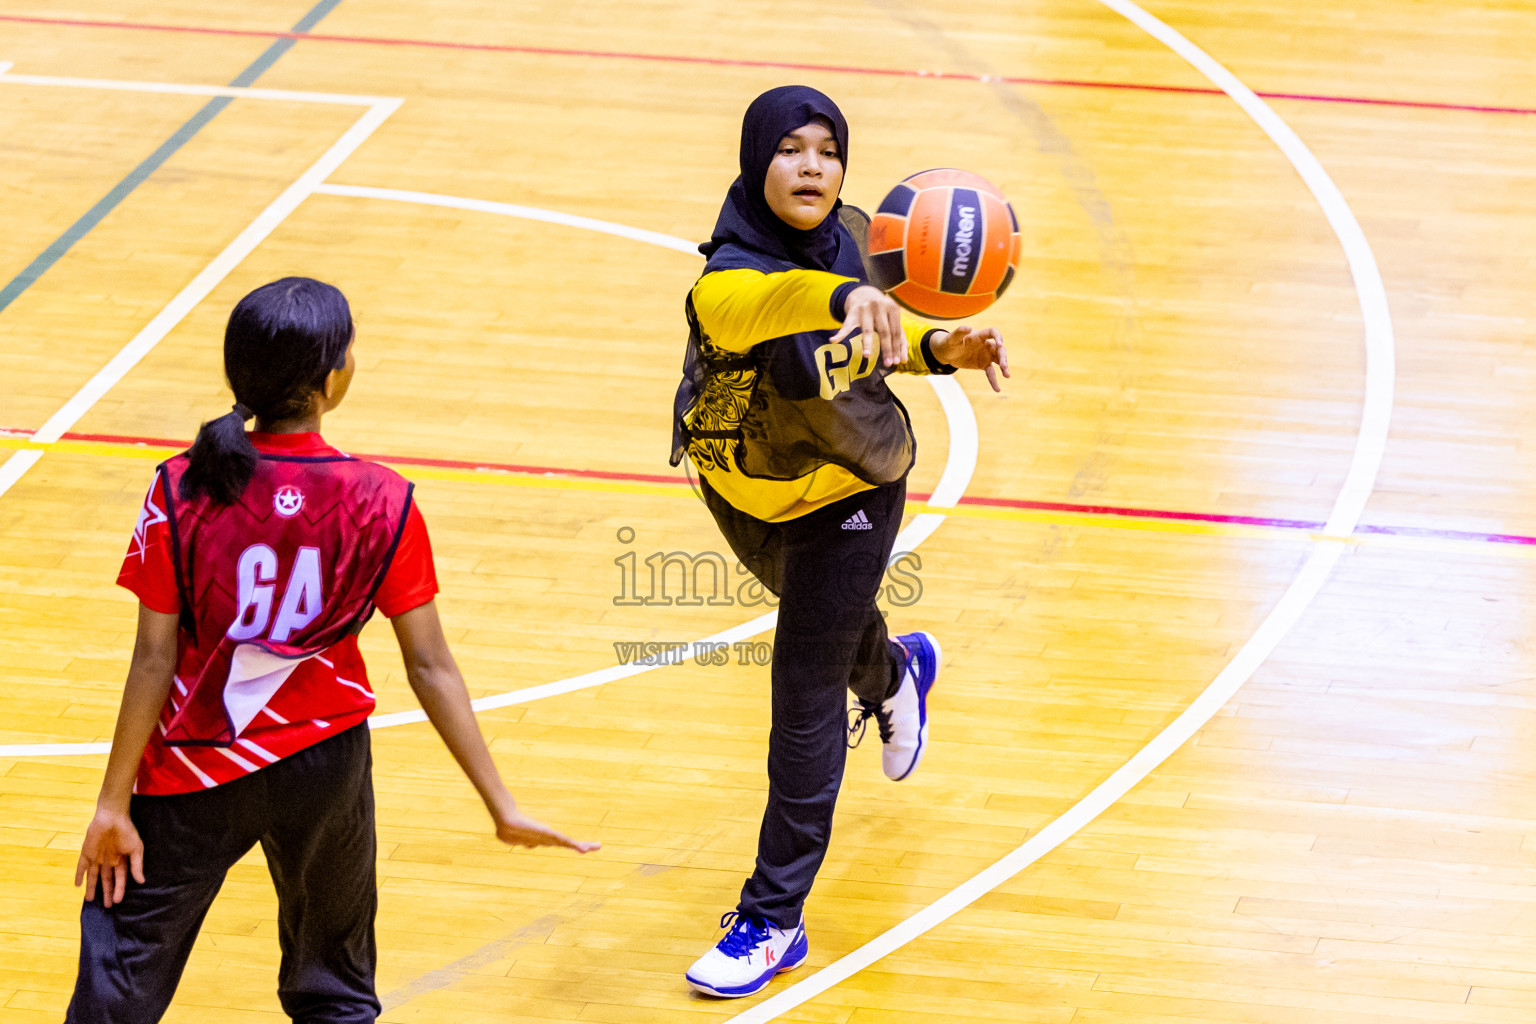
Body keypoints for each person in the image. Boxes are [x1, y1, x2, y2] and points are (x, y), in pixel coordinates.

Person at [69, 277, 598, 1023]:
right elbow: (430, 665)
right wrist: (500, 803)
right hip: (326, 765)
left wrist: (111, 801)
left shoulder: (181, 487)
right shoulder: (383, 499)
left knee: (119, 977)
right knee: (334, 989)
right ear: (330, 380)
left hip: (192, 766)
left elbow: (153, 659)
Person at [670, 86, 1009, 998]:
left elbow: (883, 342)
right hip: (743, 487)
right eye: (789, 149)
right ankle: (896, 672)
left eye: (828, 149)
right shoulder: (727, 280)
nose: (812, 166)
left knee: (802, 689)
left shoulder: (859, 237)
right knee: (836, 640)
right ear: (755, 161)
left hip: (855, 487)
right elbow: (786, 304)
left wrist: (946, 350)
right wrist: (852, 291)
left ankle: (773, 918)